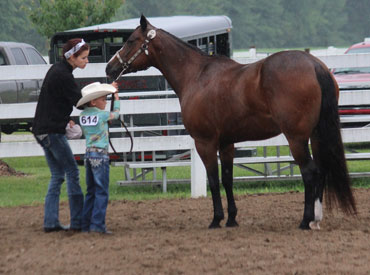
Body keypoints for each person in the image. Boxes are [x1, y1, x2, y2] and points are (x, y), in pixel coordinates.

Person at [32, 38, 90, 233]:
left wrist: (66, 119)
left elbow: (55, 102)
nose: (86, 61)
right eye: (83, 58)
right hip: (52, 132)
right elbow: (80, 102)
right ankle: (77, 222)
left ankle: (50, 222)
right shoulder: (64, 75)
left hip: (42, 130)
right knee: (72, 172)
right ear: (72, 57)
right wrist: (99, 96)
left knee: (57, 175)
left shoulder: (57, 70)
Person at [77, 81, 120, 234]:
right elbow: (116, 114)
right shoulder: (102, 115)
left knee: (91, 191)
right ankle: (97, 225)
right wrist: (116, 96)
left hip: (88, 154)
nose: (105, 102)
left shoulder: (83, 116)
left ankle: (86, 224)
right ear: (93, 101)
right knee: (102, 191)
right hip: (101, 155)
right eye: (103, 99)